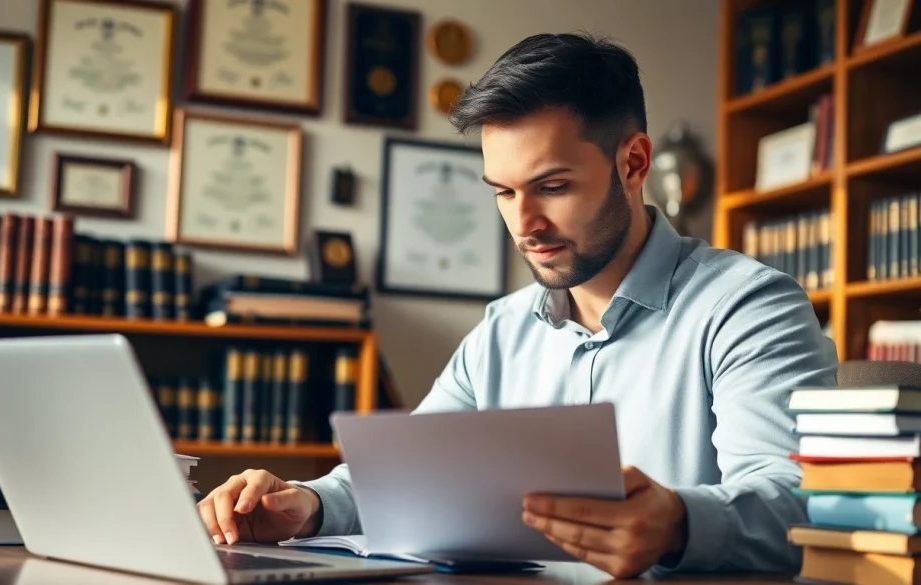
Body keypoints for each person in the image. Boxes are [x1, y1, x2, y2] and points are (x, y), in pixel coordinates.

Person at [196, 31, 837, 579]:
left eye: (551, 186)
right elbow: (409, 478)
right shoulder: (501, 332)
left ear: (635, 162)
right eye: (502, 192)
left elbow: (797, 502)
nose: (524, 222)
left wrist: (677, 523)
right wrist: (303, 502)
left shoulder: (750, 307)